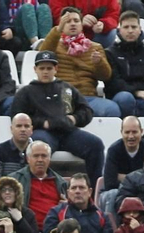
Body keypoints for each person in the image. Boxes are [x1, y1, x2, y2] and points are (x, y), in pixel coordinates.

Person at [11, 50, 104, 180]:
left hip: (68, 132)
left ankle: (95, 189)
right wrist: (41, 122)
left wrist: (75, 118)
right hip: (43, 132)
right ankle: (37, 186)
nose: (45, 71)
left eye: (49, 68)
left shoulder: (66, 88)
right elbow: (17, 116)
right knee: (38, 147)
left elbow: (87, 111)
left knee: (95, 144)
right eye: (42, 68)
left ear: (56, 69)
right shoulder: (26, 92)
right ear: (35, 69)